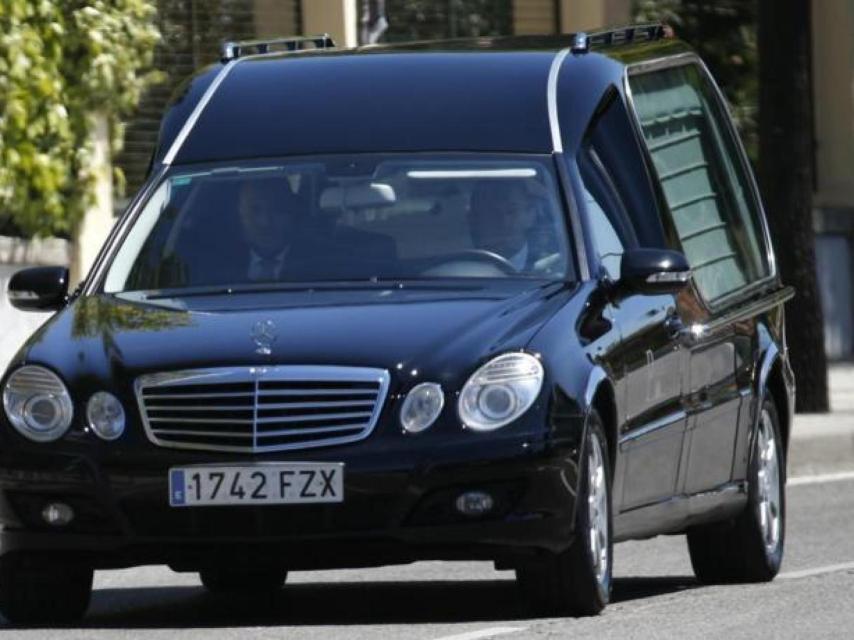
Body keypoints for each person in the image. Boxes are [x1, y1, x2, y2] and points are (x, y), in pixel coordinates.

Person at [237, 177, 302, 281]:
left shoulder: (321, 263)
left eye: (276, 209)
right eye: (255, 210)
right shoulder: (213, 265)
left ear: (291, 212)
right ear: (240, 214)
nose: (265, 222)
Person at [467, 180, 538, 271]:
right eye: (492, 212)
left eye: (511, 211)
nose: (504, 222)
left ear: (531, 215)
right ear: (473, 219)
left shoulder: (555, 269)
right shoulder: (453, 272)